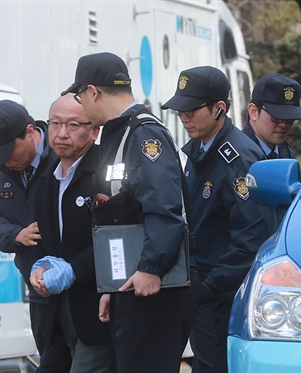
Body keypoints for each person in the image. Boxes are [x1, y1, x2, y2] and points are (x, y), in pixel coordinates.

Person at [61, 51, 191, 372]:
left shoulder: (143, 134)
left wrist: (151, 268)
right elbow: (123, 214)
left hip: (154, 286)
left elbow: (164, 208)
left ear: (93, 92)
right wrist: (113, 287)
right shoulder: (119, 132)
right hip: (133, 285)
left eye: (80, 97)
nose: (81, 105)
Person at [161, 66, 277, 373]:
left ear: (219, 109)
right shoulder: (200, 149)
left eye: (190, 110)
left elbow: (253, 236)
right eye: (179, 110)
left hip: (223, 296)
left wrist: (209, 288)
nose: (183, 117)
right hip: (202, 291)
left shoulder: (238, 158)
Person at [0, 100, 71, 368]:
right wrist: (16, 235)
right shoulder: (1, 168)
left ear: (31, 132)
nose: (5, 160)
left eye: (9, 151)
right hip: (38, 293)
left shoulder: (62, 155)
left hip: (78, 290)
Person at [29, 93, 116, 372]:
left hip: (97, 310)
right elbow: (43, 237)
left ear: (94, 131)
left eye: (73, 125)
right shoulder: (46, 176)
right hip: (56, 314)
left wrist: (72, 269)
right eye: (55, 124)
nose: (61, 133)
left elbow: (116, 240)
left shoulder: (106, 171)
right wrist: (40, 267)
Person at [243, 73, 301, 160]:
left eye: (290, 119)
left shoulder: (287, 154)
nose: (284, 125)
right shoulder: (238, 157)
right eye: (276, 117)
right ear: (253, 112)